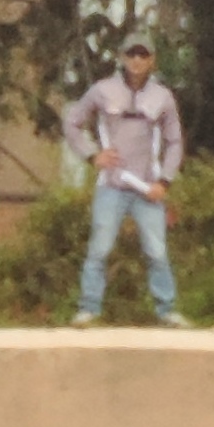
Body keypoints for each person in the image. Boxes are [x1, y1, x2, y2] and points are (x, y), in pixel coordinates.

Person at [61, 39, 188, 329]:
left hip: (147, 189)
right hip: (112, 184)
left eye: (143, 54)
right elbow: (72, 123)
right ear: (122, 57)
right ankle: (88, 309)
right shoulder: (103, 90)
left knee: (157, 251)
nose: (137, 60)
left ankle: (166, 310)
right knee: (100, 248)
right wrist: (92, 155)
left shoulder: (163, 97)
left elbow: (174, 141)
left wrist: (165, 181)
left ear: (152, 60)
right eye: (131, 53)